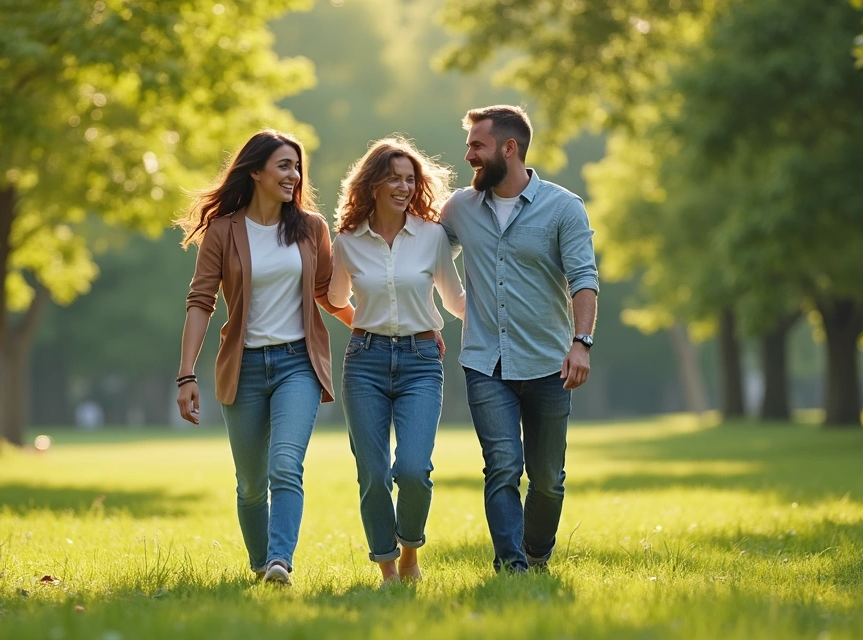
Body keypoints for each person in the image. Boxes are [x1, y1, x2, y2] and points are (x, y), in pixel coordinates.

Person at [173, 130, 354, 586]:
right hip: (245, 367)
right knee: (251, 484)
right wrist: (186, 374)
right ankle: (261, 566)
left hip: (299, 364)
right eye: (284, 166)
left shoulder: (311, 228)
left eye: (297, 167)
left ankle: (279, 561)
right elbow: (201, 301)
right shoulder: (223, 231)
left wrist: (376, 326)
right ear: (255, 171)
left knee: (286, 464)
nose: (294, 175)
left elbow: (327, 294)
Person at [440, 106, 599, 574]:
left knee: (547, 479)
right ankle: (511, 566)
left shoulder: (563, 207)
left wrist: (582, 342)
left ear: (509, 148)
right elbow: (422, 253)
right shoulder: (459, 208)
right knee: (502, 466)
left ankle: (535, 554)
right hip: (484, 362)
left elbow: (584, 279)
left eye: (477, 145)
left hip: (550, 363)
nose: (469, 155)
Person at [329, 137, 465, 587]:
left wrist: (502, 314)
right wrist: (370, 323)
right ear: (372, 184)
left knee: (413, 469)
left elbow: (455, 300)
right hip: (364, 363)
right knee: (372, 473)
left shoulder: (431, 237)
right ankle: (388, 569)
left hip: (421, 361)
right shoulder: (347, 241)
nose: (404, 187)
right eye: (394, 178)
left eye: (410, 179)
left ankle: (409, 553)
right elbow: (334, 298)